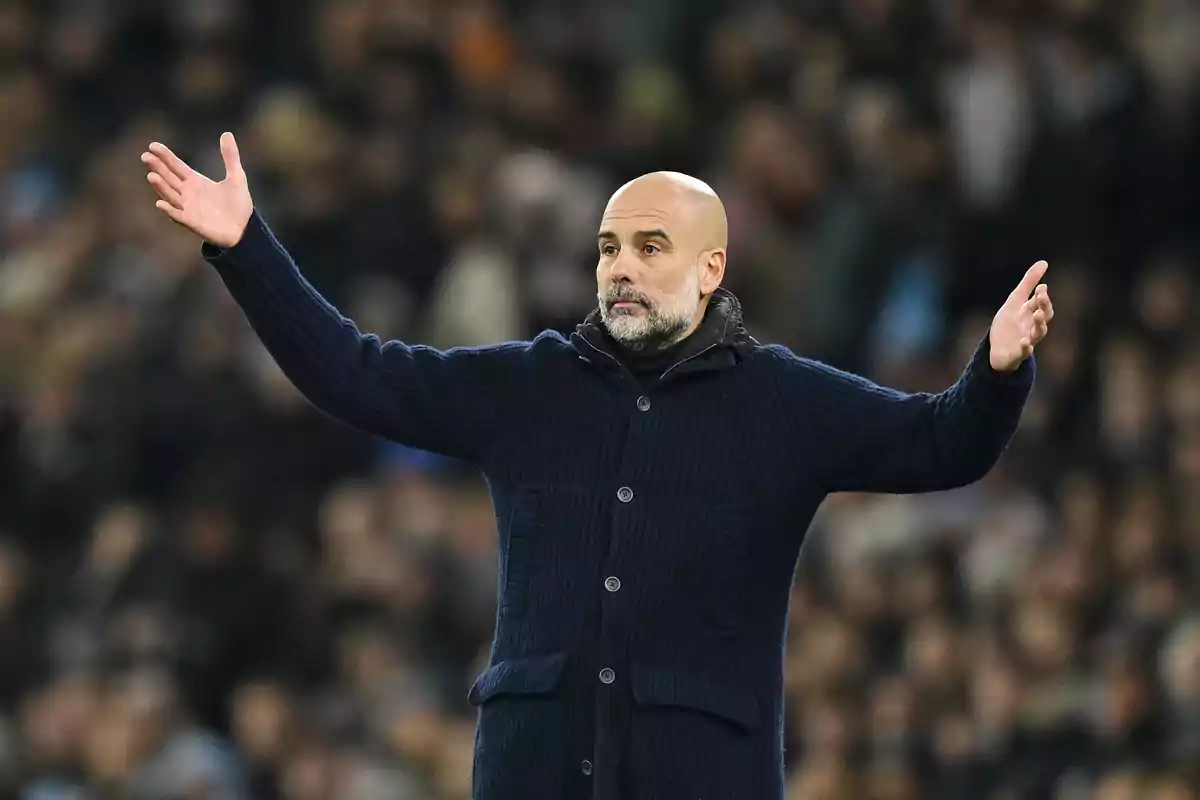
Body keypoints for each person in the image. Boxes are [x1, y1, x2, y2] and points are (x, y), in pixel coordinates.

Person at [141, 133, 1054, 799]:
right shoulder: (528, 386)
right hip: (532, 774)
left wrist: (1000, 368)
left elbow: (944, 443)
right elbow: (354, 372)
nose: (621, 266)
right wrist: (245, 247)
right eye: (609, 247)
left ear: (711, 269)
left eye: (651, 248)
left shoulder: (787, 403)